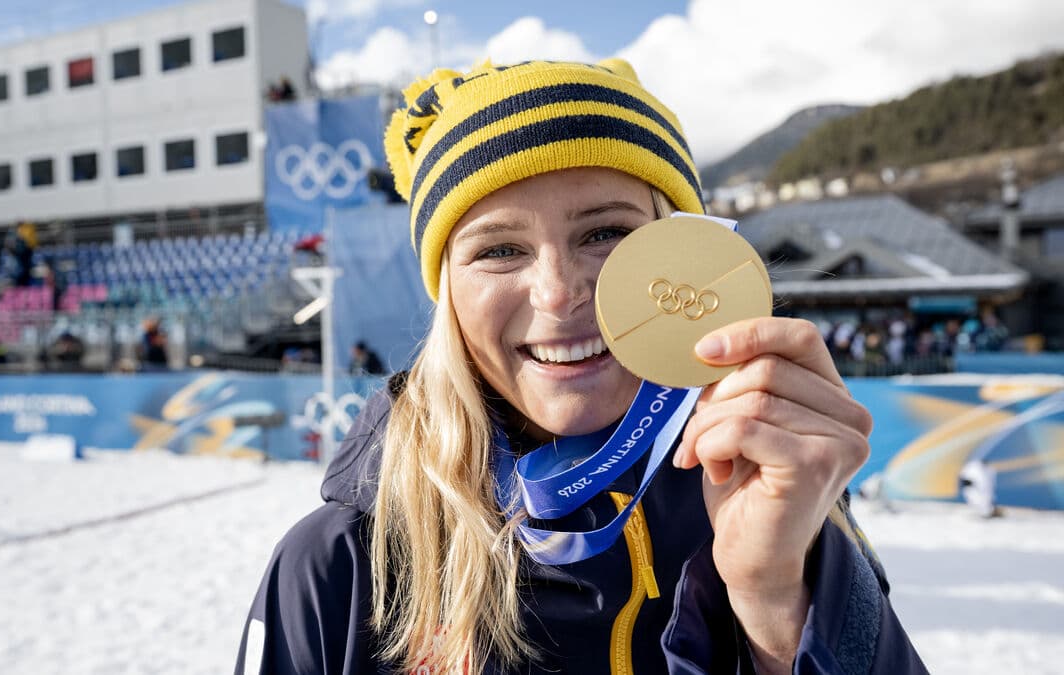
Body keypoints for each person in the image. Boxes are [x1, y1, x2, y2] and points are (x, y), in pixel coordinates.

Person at [236, 59, 927, 674]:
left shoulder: (782, 494)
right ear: (448, 294)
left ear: (683, 254)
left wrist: (774, 600)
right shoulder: (338, 566)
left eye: (605, 233)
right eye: (499, 249)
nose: (559, 292)